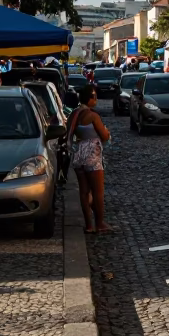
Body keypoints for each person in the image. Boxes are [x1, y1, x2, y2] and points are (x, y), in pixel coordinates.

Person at [66, 84, 113, 234]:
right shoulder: (93, 116)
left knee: (84, 191)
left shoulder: (74, 114)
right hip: (92, 155)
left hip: (79, 154)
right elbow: (104, 136)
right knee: (97, 191)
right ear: (90, 98)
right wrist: (106, 132)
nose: (96, 99)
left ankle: (88, 225)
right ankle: (99, 223)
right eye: (95, 97)